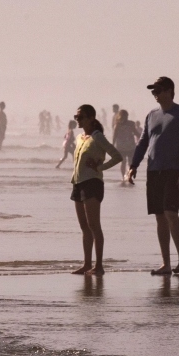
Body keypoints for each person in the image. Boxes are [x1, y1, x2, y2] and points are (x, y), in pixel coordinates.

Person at [126, 76, 179, 275]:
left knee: (171, 213)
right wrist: (133, 165)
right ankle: (166, 263)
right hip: (154, 171)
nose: (154, 94)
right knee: (160, 216)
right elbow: (143, 142)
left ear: (169, 91)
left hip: (174, 171)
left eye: (158, 90)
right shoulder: (151, 115)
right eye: (153, 91)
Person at [69, 105, 122, 276]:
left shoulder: (97, 136)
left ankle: (99, 266)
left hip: (92, 183)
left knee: (94, 226)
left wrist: (100, 167)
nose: (78, 120)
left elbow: (117, 156)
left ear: (91, 118)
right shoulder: (79, 137)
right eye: (76, 117)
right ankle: (87, 264)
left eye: (81, 117)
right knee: (84, 227)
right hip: (78, 183)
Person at [111, 110, 139, 181]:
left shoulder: (131, 124)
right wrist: (112, 145)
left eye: (126, 116)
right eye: (124, 116)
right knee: (123, 162)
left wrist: (142, 139)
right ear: (120, 116)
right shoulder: (117, 125)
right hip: (121, 147)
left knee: (130, 162)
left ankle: (129, 175)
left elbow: (135, 132)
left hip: (130, 146)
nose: (125, 117)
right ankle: (123, 176)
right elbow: (114, 136)